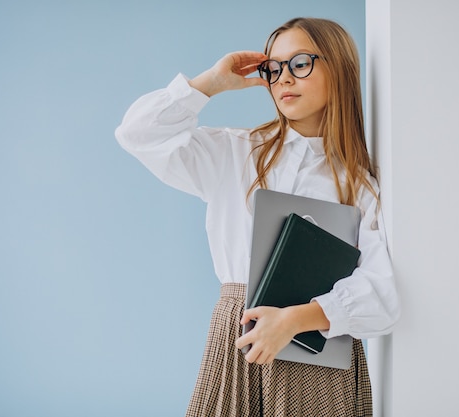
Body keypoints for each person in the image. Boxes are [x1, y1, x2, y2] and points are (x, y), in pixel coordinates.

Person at [115, 17, 400, 417]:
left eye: (300, 63)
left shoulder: (359, 185)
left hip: (321, 362)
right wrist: (210, 84)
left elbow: (382, 297)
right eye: (275, 67)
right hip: (240, 341)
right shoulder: (235, 152)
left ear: (338, 67)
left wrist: (295, 320)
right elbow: (137, 134)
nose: (283, 78)